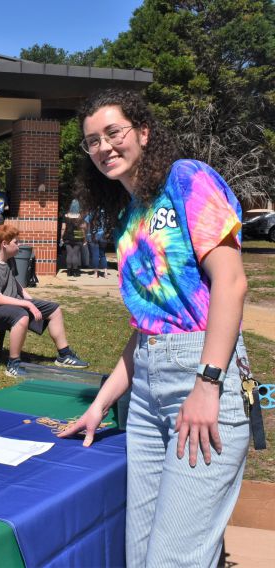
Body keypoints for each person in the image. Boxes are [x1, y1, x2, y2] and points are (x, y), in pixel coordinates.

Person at [59, 89, 250, 567]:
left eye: (114, 132)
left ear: (143, 132)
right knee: (141, 553)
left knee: (173, 559)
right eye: (92, 141)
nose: (104, 146)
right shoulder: (128, 218)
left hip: (203, 374)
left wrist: (207, 385)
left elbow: (230, 283)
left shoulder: (188, 178)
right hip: (143, 391)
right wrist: (102, 404)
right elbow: (145, 328)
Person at [0, 224, 89, 377]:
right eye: (16, 242)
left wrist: (31, 300)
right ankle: (13, 365)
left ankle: (64, 355)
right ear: (4, 244)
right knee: (21, 316)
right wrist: (27, 304)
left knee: (54, 309)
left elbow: (15, 283)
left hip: (11, 301)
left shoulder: (9, 260)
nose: (19, 245)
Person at [60, 212, 87, 277]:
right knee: (75, 254)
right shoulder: (80, 216)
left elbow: (63, 228)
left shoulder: (66, 215)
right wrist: (84, 239)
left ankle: (69, 272)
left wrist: (61, 237)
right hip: (77, 237)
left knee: (69, 254)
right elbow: (83, 228)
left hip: (67, 237)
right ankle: (75, 272)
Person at [85, 207, 109, 278]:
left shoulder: (90, 214)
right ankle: (105, 273)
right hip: (103, 237)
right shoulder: (105, 214)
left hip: (93, 237)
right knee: (102, 255)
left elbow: (87, 226)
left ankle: (96, 273)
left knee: (95, 255)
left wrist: (87, 237)